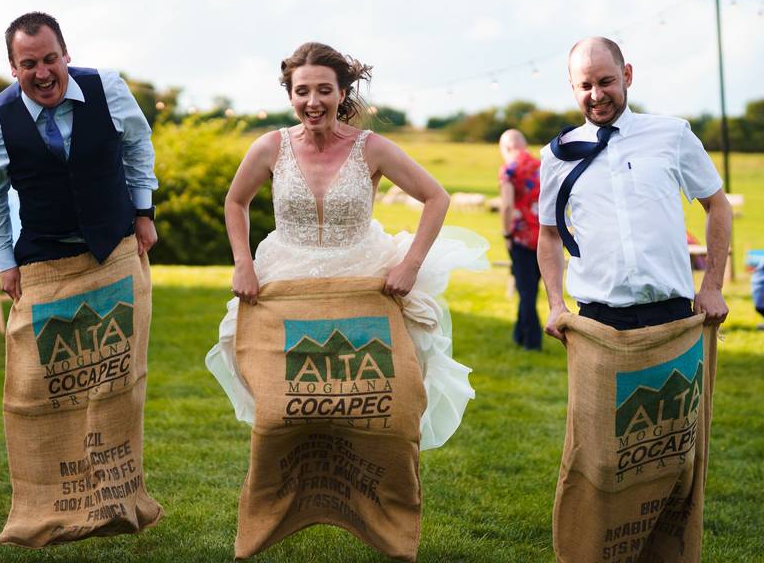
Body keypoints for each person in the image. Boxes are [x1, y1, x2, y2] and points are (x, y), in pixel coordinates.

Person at [205, 43, 488, 557]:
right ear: (289, 94)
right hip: (285, 280)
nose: (313, 101)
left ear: (342, 93)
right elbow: (235, 200)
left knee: (378, 402)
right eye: (302, 91)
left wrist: (410, 265)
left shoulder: (371, 148)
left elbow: (436, 197)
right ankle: (276, 507)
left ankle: (384, 511)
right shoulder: (270, 147)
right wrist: (243, 262)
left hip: (363, 279)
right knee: (282, 407)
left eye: (323, 90)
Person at [0, 12, 162, 548]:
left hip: (114, 247)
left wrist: (144, 210)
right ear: (13, 67)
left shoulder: (109, 89)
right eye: (29, 63)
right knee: (44, 384)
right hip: (45, 261)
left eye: (50, 58)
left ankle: (119, 498)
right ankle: (49, 505)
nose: (43, 71)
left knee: (117, 376)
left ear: (66, 54)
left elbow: (137, 147)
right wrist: (6, 261)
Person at [538, 37, 731, 334]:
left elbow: (717, 205)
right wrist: (556, 304)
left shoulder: (672, 135)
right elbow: (549, 234)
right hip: (595, 323)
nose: (596, 95)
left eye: (606, 81)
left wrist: (713, 286)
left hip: (673, 315)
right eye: (585, 86)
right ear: (572, 86)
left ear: (627, 75)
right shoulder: (557, 155)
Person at [498, 128, 542, 350]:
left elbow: (506, 205)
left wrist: (506, 234)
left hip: (522, 238)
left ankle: (533, 341)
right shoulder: (541, 166)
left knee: (526, 291)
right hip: (545, 237)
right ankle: (519, 334)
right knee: (531, 287)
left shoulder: (509, 169)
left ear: (507, 148)